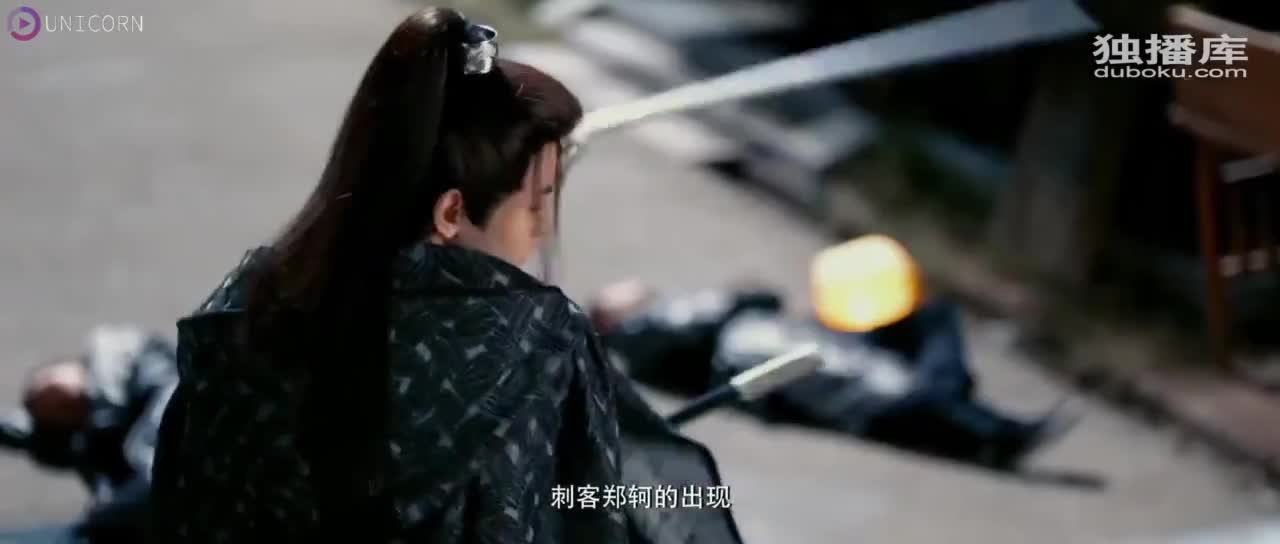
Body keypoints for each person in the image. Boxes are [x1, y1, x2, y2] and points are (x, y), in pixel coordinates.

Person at [150, 8, 742, 544]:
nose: (542, 228)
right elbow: (614, 501)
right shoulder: (537, 342)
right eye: (537, 201)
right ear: (452, 212)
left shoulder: (246, 310)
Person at [591, 235, 1077, 470]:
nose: (636, 285)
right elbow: (741, 304)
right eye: (622, 291)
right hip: (785, 360)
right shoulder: (649, 325)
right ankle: (985, 423)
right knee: (916, 352)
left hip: (788, 359)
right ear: (611, 316)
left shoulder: (652, 328)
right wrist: (747, 296)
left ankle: (990, 428)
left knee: (914, 334)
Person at [0, 325, 177, 543]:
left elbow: (153, 480)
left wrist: (91, 522)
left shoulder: (147, 378)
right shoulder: (100, 436)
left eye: (45, 384)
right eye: (59, 410)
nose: (51, 397)